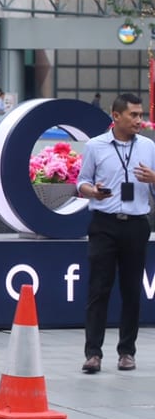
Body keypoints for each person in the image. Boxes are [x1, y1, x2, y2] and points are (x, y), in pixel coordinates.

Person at [75, 92, 155, 374]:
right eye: (133, 115)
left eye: (141, 114)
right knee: (99, 289)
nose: (139, 120)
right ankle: (93, 354)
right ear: (116, 116)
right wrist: (93, 191)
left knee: (132, 290)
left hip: (136, 224)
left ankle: (127, 352)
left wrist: (154, 179)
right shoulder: (96, 146)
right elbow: (81, 183)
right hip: (104, 223)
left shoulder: (148, 147)